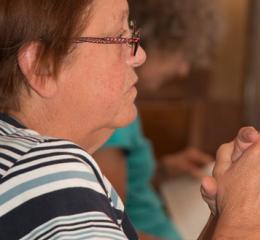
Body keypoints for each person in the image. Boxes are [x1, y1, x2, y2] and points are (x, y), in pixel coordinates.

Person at [0, 1, 260, 240]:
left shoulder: (6, 152)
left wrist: (224, 215)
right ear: (42, 65)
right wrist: (249, 222)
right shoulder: (48, 173)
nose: (139, 54)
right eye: (118, 38)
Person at [93, 1, 219, 238]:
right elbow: (109, 223)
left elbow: (122, 191)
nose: (183, 70)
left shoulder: (124, 108)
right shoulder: (115, 110)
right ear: (153, 41)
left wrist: (163, 171)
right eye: (181, 54)